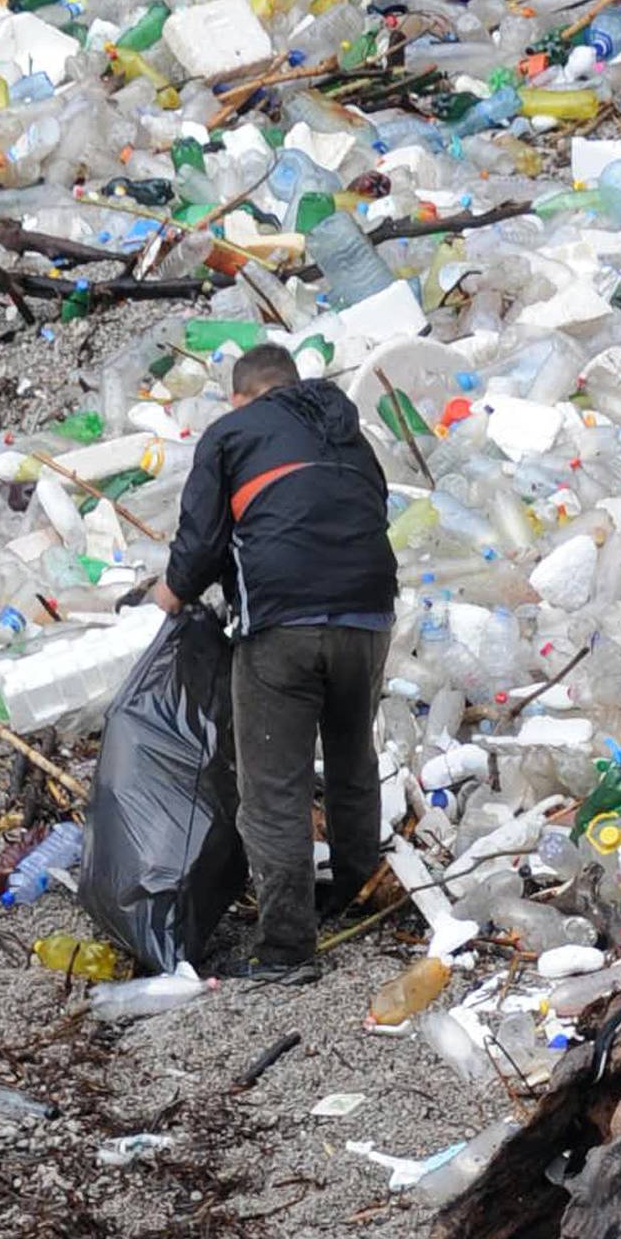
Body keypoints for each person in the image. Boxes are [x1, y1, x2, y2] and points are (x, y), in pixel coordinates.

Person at [155, 339, 396, 987]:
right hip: (371, 614)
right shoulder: (348, 432)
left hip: (284, 624)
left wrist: (168, 594)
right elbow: (375, 510)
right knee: (352, 757)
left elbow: (201, 543)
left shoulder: (232, 432)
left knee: (275, 787)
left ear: (243, 395)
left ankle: (287, 948)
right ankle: (353, 888)